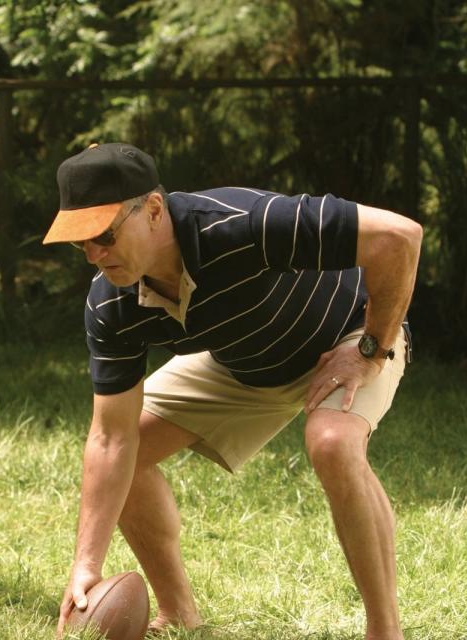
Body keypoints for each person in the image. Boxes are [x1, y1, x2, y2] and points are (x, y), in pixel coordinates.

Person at [46, 143, 421, 640]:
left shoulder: (241, 223)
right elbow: (111, 439)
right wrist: (85, 566)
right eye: (81, 243)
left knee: (332, 442)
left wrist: (371, 348)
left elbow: (399, 236)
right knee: (131, 445)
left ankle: (384, 631)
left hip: (346, 336)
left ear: (154, 209)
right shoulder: (111, 303)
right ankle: (179, 612)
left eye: (105, 235)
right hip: (243, 360)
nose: (94, 255)